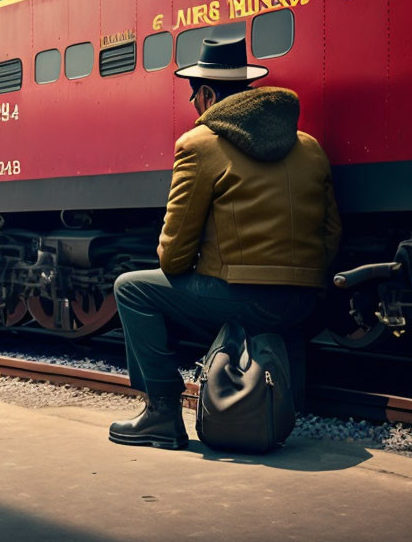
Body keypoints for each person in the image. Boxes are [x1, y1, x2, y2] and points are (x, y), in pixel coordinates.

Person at [108, 29, 341, 450]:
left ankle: (161, 413)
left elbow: (173, 257)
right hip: (304, 302)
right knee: (260, 302)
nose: (193, 107)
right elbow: (331, 235)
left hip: (245, 299)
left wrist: (210, 267)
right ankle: (284, 401)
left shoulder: (200, 145)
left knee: (132, 290)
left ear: (209, 96)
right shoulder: (309, 147)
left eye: (194, 97)